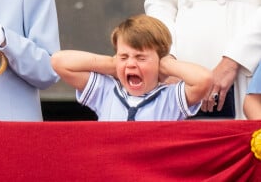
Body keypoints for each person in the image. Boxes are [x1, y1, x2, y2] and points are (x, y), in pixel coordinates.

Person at [51, 14, 212, 121]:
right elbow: (59, 61)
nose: (131, 64)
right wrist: (111, 65)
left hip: (151, 171)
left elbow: (204, 79)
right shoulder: (105, 91)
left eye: (141, 58)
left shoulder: (170, 99)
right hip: (111, 171)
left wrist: (166, 65)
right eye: (124, 56)